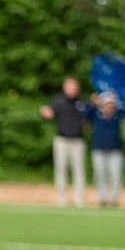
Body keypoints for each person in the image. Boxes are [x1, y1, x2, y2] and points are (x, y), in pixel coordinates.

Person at [40, 76, 87, 207]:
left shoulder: (82, 102)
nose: (72, 89)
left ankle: (79, 199)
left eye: (74, 87)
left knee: (79, 170)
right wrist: (45, 111)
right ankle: (62, 198)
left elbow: (90, 117)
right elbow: (48, 111)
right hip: (62, 140)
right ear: (65, 88)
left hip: (78, 140)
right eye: (70, 87)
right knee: (61, 169)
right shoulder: (58, 101)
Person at [85, 90, 125, 208]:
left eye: (111, 103)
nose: (110, 105)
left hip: (116, 149)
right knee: (100, 175)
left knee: (116, 175)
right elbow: (85, 112)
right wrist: (93, 103)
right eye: (107, 103)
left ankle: (115, 198)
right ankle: (102, 198)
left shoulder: (118, 114)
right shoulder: (96, 113)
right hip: (99, 148)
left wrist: (117, 96)